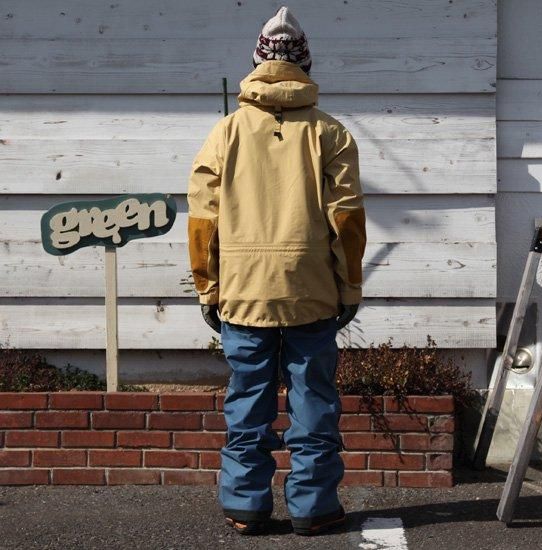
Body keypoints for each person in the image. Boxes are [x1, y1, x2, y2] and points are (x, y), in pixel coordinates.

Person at [187, 5, 366, 537]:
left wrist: (207, 289)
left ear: (257, 63)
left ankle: (245, 507)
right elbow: (347, 222)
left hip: (242, 292)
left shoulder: (226, 133)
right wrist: (349, 286)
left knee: (248, 401)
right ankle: (313, 509)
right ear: (305, 64)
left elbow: (203, 222)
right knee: (312, 399)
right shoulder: (331, 133)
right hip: (311, 290)